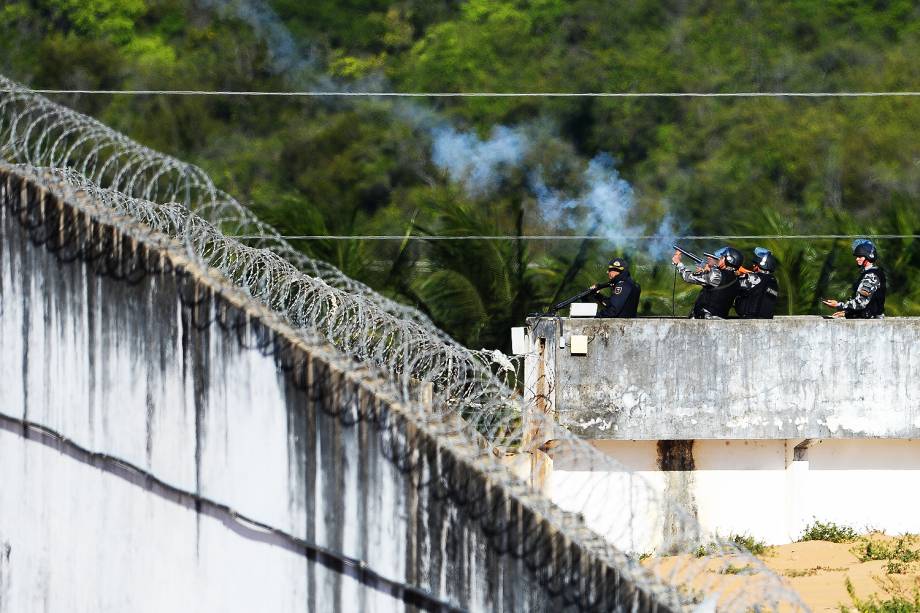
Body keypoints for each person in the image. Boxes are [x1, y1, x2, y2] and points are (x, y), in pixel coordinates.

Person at [822, 239, 886, 319]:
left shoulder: (871, 276)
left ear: (868, 257)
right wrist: (847, 313)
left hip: (869, 322)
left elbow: (861, 303)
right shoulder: (871, 272)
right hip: (867, 317)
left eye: (860, 256)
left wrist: (838, 305)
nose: (857, 259)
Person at [672, 246, 742, 318]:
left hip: (706, 321)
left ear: (729, 260)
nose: (719, 259)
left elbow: (688, 277)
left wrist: (678, 263)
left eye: (722, 258)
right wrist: (705, 272)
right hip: (719, 320)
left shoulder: (716, 274)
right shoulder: (736, 280)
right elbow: (715, 292)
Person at [734, 247, 780, 319]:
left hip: (750, 319)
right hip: (764, 319)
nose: (753, 265)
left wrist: (734, 272)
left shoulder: (754, 278)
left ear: (762, 264)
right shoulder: (772, 280)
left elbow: (732, 284)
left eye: (755, 264)